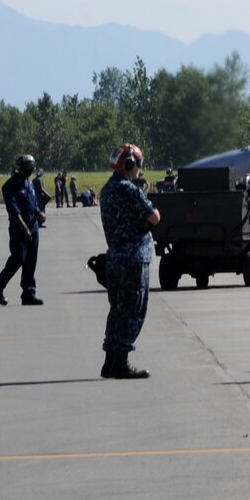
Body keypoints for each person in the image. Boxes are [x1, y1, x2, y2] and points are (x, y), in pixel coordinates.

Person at [98, 143, 159, 379]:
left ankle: (110, 361)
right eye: (138, 165)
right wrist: (140, 229)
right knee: (133, 310)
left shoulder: (106, 190)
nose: (140, 170)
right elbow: (154, 216)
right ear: (130, 164)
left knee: (117, 310)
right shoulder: (129, 190)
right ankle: (121, 363)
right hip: (134, 258)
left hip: (114, 257)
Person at [0, 154, 47, 306]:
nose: (30, 168)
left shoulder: (29, 184)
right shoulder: (10, 185)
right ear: (19, 167)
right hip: (19, 229)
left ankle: (28, 294)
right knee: (18, 259)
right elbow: (13, 211)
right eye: (27, 165)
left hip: (33, 227)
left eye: (32, 165)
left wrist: (39, 212)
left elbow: (32, 204)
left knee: (31, 262)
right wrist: (24, 229)